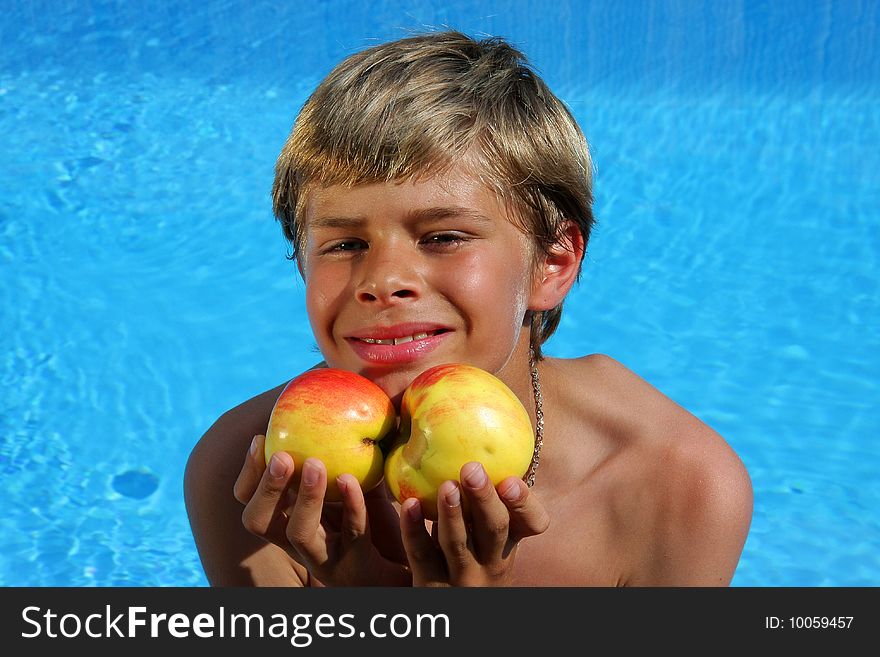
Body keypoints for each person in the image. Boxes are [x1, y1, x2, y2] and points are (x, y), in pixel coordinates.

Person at [184, 30, 752, 587]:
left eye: (443, 237)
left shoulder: (671, 483)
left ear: (551, 264)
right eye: (346, 245)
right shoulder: (251, 477)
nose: (383, 282)